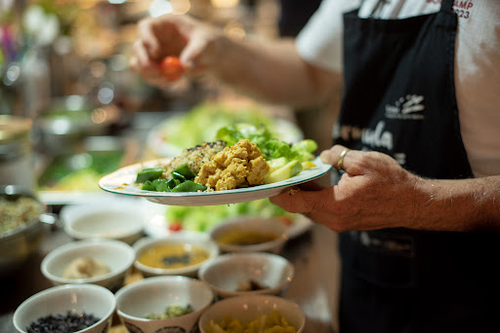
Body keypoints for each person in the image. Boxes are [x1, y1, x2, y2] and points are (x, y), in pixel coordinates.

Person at [130, 0, 500, 332]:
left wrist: (420, 202)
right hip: (370, 275)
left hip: (477, 289)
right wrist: (217, 50)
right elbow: (310, 70)